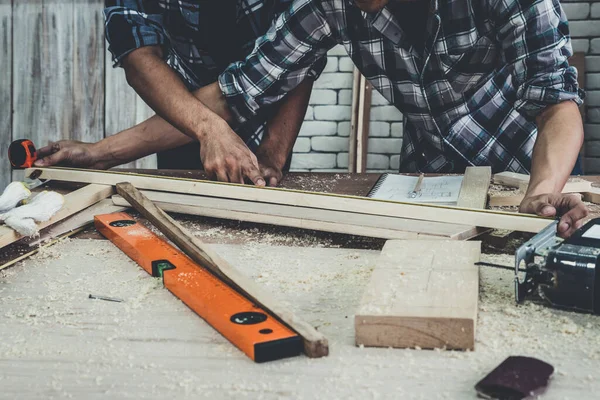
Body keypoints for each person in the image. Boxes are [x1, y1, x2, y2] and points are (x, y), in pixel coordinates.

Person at [212, 0, 589, 237]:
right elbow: (240, 88)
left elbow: (556, 104)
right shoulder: (327, 5)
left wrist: (541, 191)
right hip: (425, 183)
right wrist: (198, 128)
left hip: (527, 175)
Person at [34, 0, 326, 187]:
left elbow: (297, 64)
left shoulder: (328, 10)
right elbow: (138, 58)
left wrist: (274, 152)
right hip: (180, 117)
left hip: (271, 119)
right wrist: (98, 154)